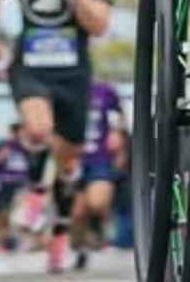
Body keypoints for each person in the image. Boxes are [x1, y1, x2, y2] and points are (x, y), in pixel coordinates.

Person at [0, 0, 112, 273]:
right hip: (30, 68)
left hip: (73, 74)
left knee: (68, 164)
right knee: (37, 129)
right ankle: (37, 193)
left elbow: (99, 25)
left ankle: (59, 235)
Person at [69, 81, 123, 269]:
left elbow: (117, 113)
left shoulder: (104, 90)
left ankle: (98, 230)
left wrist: (116, 133)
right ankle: (80, 249)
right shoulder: (62, 89)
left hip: (99, 157)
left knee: (98, 202)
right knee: (76, 214)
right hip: (72, 158)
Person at [0, 125, 35, 253]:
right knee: (2, 215)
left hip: (21, 185)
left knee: (18, 214)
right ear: (14, 132)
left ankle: (17, 241)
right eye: (21, 132)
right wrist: (0, 157)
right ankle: (1, 241)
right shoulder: (4, 145)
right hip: (3, 185)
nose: (23, 135)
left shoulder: (29, 147)